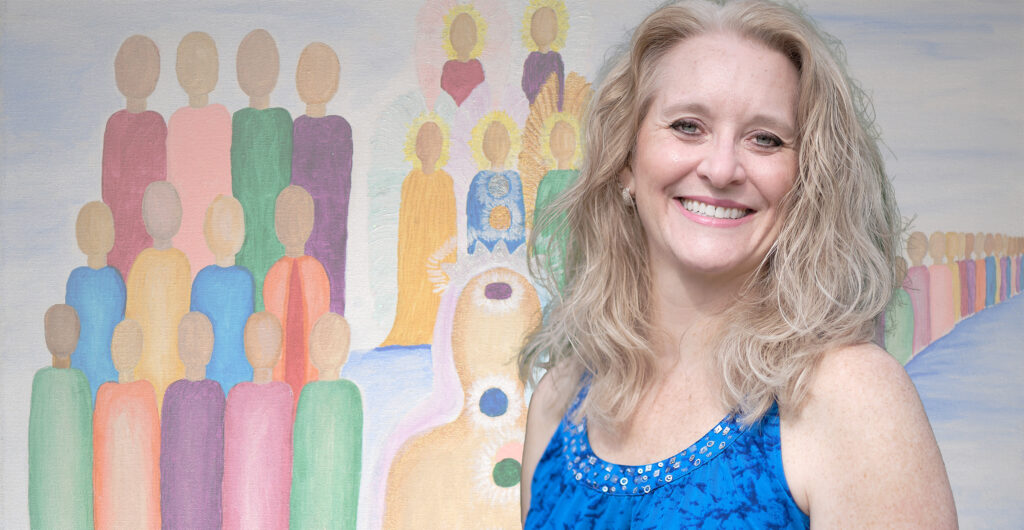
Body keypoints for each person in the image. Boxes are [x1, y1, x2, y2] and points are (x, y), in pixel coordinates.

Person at [518, 1, 957, 527]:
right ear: (624, 162)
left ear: (806, 181)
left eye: (765, 139)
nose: (722, 168)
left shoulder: (853, 395)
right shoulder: (559, 402)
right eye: (687, 126)